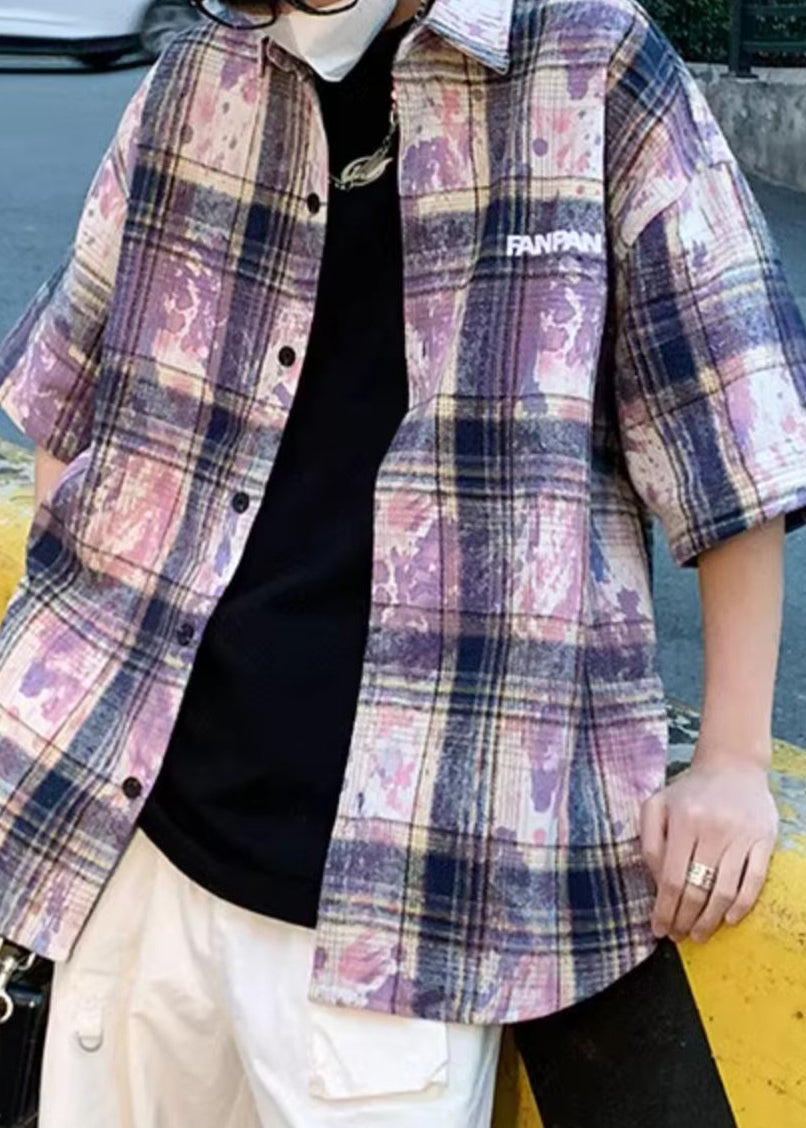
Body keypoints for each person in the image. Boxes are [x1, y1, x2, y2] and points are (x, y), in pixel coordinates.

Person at [0, 0, 804, 1124]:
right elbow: (68, 385)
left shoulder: (592, 68)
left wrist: (729, 758)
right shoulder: (202, 74)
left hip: (408, 910)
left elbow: (731, 418)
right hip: (140, 852)